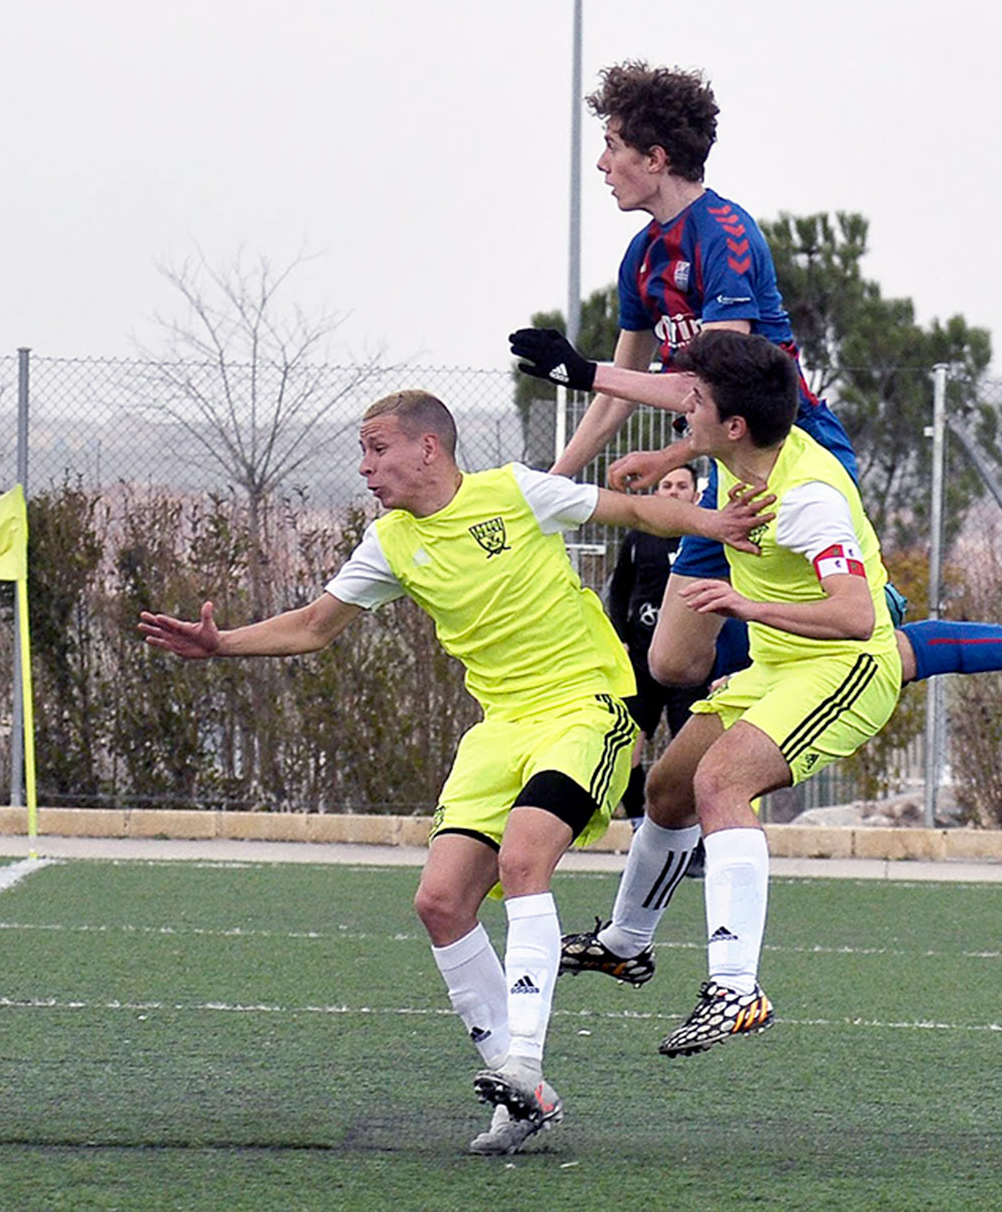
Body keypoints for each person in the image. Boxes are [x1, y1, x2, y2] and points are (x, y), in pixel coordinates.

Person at [138, 390, 771, 1156]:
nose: (366, 468)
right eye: (363, 454)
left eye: (377, 450)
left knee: (524, 857)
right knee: (440, 902)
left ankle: (526, 1067)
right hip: (499, 731)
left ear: (428, 449)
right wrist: (222, 644)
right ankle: (520, 1099)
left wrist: (715, 522)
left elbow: (634, 513)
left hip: (583, 707)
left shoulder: (515, 491)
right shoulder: (391, 541)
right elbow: (314, 626)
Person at [509, 59, 1002, 700]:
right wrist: (552, 485)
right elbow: (621, 389)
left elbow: (716, 386)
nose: (600, 164)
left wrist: (590, 376)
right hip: (729, 459)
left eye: (611, 146)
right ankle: (843, 624)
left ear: (655, 157)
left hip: (794, 449)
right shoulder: (642, 257)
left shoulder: (725, 236)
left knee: (874, 652)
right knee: (672, 663)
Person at [566, 330, 901, 1056]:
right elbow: (681, 406)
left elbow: (855, 616)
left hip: (844, 668)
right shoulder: (736, 460)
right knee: (667, 791)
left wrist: (749, 610)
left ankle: (737, 990)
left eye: (697, 400)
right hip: (777, 669)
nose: (684, 405)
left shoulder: (807, 497)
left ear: (735, 425)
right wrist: (589, 375)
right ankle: (626, 942)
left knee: (721, 784)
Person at [604, 462, 704, 821]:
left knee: (688, 754)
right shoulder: (638, 538)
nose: (673, 492)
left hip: (688, 665)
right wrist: (621, 637)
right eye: (666, 485)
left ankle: (690, 837)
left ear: (695, 494)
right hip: (642, 664)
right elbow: (619, 590)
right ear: (656, 493)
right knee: (626, 745)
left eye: (680, 486)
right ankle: (637, 822)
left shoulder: (705, 540)